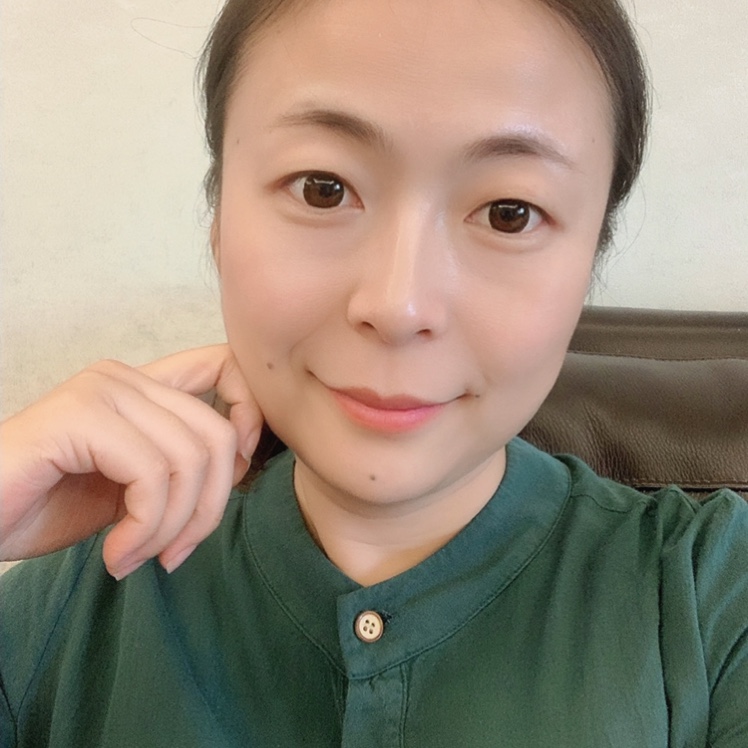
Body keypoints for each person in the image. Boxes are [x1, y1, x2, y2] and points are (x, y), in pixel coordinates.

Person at [1, 0, 746, 745]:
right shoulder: (58, 616)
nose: (398, 305)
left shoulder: (713, 598)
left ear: (590, 260)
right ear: (218, 217)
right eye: (322, 188)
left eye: (509, 212)